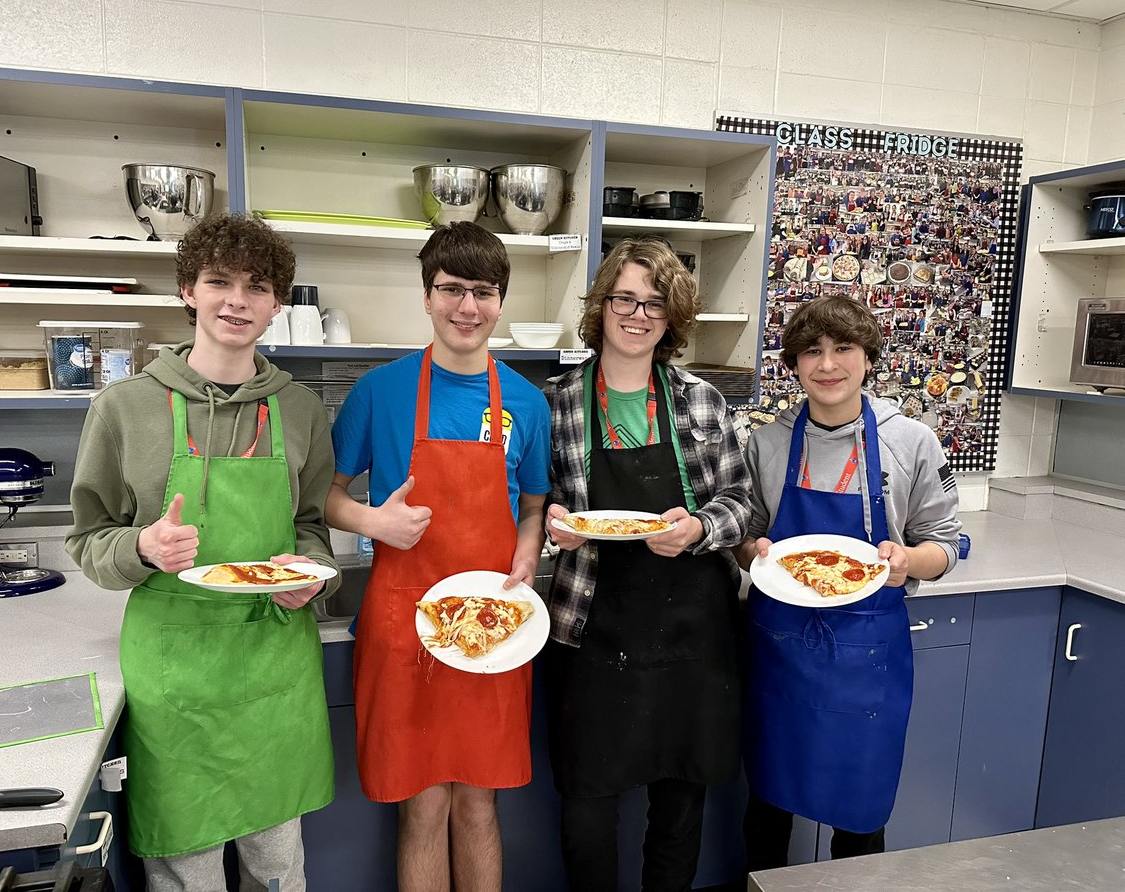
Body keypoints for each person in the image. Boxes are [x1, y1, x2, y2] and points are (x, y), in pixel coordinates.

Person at [66, 213, 340, 892]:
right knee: (186, 873)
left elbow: (311, 528)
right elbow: (87, 537)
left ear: (279, 303)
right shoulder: (124, 408)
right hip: (177, 674)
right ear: (189, 289)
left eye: (258, 286)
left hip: (275, 663)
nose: (237, 300)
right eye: (219, 281)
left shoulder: (301, 410)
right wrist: (141, 546)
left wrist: (310, 578)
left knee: (277, 869)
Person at [324, 221, 550, 891]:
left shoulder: (527, 405)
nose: (467, 308)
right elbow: (326, 498)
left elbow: (534, 506)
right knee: (423, 807)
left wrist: (527, 556)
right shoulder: (379, 392)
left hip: (494, 632)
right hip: (406, 628)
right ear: (426, 297)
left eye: (483, 292)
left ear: (501, 301)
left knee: (480, 803)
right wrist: (374, 521)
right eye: (451, 289)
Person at [545, 238, 751, 892]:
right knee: (585, 806)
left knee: (679, 805)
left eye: (654, 305)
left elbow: (745, 504)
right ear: (601, 306)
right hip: (592, 630)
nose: (637, 315)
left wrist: (698, 527)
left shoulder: (701, 401)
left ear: (672, 320)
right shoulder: (555, 404)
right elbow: (530, 507)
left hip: (692, 634)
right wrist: (555, 531)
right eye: (625, 299)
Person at [733, 294, 962, 869]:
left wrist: (909, 560)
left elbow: (949, 541)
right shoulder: (768, 442)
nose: (828, 365)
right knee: (767, 806)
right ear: (793, 365)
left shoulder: (909, 440)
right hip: (778, 653)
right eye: (811, 351)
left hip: (867, 664)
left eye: (843, 349)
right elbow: (748, 535)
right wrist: (750, 550)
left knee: (860, 818)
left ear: (868, 358)